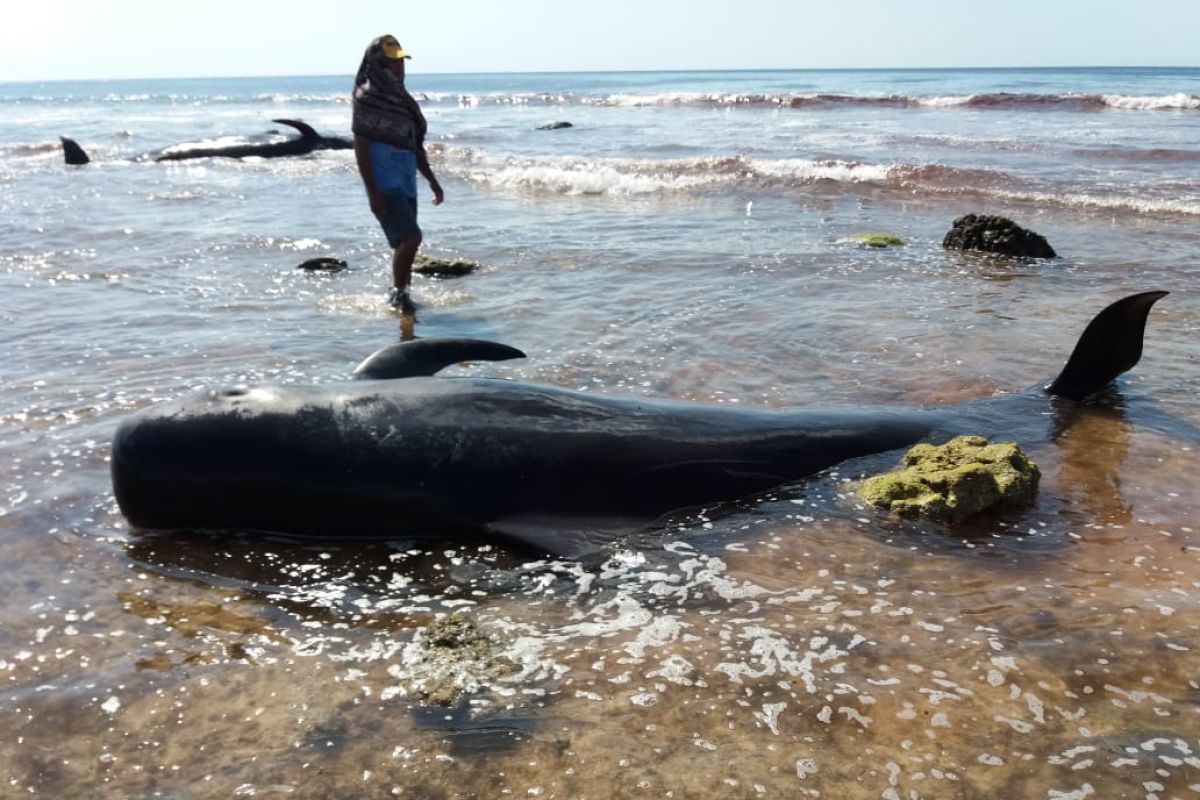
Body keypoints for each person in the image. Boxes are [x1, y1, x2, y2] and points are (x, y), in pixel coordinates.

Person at [352, 34, 444, 314]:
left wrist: (432, 180)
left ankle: (403, 293)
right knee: (412, 238)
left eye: (401, 63)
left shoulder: (404, 101)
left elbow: (415, 145)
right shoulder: (367, 99)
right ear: (377, 65)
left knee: (404, 243)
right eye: (392, 64)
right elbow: (361, 148)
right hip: (384, 180)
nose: (399, 69)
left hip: (406, 179)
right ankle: (398, 293)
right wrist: (372, 192)